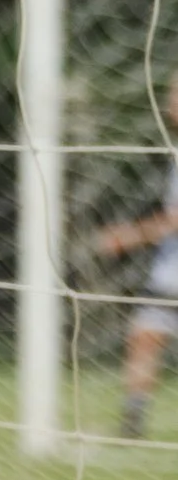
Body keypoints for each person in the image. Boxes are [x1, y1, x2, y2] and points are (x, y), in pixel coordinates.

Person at [93, 68, 178, 437]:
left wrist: (128, 236)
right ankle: (132, 422)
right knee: (144, 337)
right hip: (170, 272)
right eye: (171, 91)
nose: (170, 101)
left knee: (146, 335)